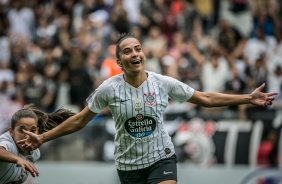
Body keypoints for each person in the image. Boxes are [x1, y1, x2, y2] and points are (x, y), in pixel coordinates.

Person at [18, 33, 278, 184]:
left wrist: (246, 98)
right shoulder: (108, 89)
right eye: (128, 52)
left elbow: (205, 98)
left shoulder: (162, 83)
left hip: (161, 158)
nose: (135, 54)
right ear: (119, 61)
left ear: (144, 54)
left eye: (138, 49)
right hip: (128, 167)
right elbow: (79, 121)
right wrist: (43, 137)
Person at [0, 104, 75, 184]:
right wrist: (18, 159)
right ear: (11, 131)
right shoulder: (8, 144)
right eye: (21, 130)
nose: (27, 135)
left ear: (38, 131)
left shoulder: (34, 153)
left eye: (32, 130)